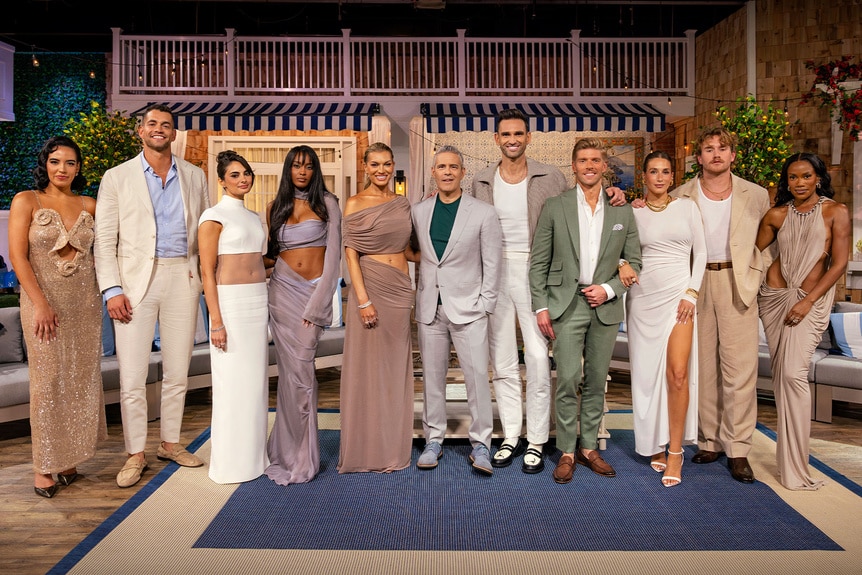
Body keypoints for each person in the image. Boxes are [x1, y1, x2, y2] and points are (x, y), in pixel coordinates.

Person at [470, 108, 627, 474]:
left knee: (539, 358)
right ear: (496, 139)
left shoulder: (550, 176)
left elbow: (582, 203)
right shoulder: (479, 180)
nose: (512, 140)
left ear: (528, 137)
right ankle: (511, 435)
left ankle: (538, 439)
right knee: (504, 361)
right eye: (505, 134)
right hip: (493, 271)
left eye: (518, 134)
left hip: (537, 272)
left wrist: (614, 193)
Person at [95, 103, 210, 488]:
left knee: (178, 370)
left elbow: (206, 233)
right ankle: (135, 453)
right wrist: (112, 289)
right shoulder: (117, 177)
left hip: (183, 275)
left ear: (174, 134)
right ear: (140, 132)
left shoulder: (194, 176)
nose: (159, 129)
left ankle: (171, 443)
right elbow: (104, 240)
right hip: (134, 283)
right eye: (152, 124)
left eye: (166, 125)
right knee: (132, 376)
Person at [529, 137, 641, 484]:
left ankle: (589, 447)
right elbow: (539, 261)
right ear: (573, 167)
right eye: (583, 160)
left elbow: (634, 260)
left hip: (605, 306)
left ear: (604, 166)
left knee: (595, 381)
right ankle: (565, 449)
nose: (590, 166)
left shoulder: (622, 209)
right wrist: (540, 305)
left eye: (596, 160)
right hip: (566, 303)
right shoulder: (555, 205)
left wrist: (609, 289)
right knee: (567, 379)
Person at [8, 136, 107, 498]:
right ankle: (43, 467)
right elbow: (18, 257)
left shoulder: (90, 204)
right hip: (43, 304)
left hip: (84, 304)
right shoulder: (26, 200)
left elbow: (110, 249)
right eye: (55, 162)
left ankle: (69, 460)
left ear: (79, 168)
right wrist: (41, 304)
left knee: (79, 380)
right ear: (45, 164)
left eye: (70, 163)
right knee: (48, 383)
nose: (62, 169)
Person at [670, 126, 770, 484]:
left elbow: (767, 239)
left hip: (736, 282)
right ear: (698, 157)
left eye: (722, 148)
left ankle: (739, 448)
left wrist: (758, 273)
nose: (715, 154)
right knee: (702, 366)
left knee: (740, 368)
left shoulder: (756, 195)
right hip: (695, 283)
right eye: (708, 148)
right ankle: (710, 439)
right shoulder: (681, 195)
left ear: (732, 155)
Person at [756, 152, 850, 491]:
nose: (799, 183)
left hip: (808, 304)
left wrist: (807, 301)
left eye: (806, 176)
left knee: (793, 376)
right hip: (773, 299)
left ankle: (796, 466)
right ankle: (789, 464)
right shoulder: (776, 215)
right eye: (793, 178)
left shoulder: (836, 212)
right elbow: (749, 253)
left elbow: (839, 263)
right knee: (782, 377)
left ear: (818, 178)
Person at [413, 145, 502, 476]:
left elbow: (493, 264)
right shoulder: (419, 211)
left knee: (477, 378)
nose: (447, 171)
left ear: (463, 173)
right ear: (433, 173)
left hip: (470, 309)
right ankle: (433, 439)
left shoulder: (483, 212)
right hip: (430, 308)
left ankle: (481, 445)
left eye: (454, 166)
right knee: (432, 379)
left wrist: (485, 305)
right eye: (441, 167)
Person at [625, 151, 706, 487]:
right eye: (653, 171)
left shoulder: (687, 207)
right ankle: (656, 443)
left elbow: (701, 252)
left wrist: (691, 293)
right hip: (642, 302)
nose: (659, 177)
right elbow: (614, 247)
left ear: (673, 176)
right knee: (648, 378)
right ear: (643, 176)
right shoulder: (631, 212)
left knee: (677, 373)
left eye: (666, 172)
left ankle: (675, 451)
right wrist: (620, 264)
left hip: (679, 299)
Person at [338, 142, 418, 474]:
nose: (382, 170)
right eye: (375, 164)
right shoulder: (355, 203)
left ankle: (391, 445)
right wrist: (363, 300)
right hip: (370, 289)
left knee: (395, 369)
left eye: (387, 164)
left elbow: (412, 251)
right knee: (367, 369)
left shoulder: (402, 204)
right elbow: (350, 254)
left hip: (400, 291)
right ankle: (367, 448)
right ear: (366, 166)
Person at [265, 145, 342, 485]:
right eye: (296, 166)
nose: (302, 172)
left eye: (308, 167)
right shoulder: (274, 207)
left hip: (311, 293)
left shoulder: (328, 204)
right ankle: (284, 452)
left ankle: (302, 457)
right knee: (289, 374)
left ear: (315, 171)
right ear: (288, 169)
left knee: (302, 375)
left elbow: (335, 256)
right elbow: (269, 256)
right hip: (281, 293)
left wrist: (320, 302)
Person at [198, 150, 270, 484]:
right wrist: (216, 320)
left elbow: (261, 261)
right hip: (231, 305)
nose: (243, 179)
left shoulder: (255, 217)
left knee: (255, 385)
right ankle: (229, 464)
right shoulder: (212, 216)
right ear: (222, 180)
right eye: (235, 175)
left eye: (246, 174)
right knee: (231, 385)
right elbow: (207, 271)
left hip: (259, 301)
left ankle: (256, 458)